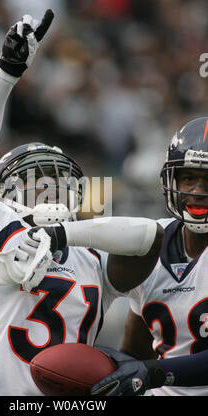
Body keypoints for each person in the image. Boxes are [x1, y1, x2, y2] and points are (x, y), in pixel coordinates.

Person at [0, 10, 163, 396]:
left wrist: (60, 234)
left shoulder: (91, 251)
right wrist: (6, 73)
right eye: (35, 182)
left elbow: (151, 238)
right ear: (4, 191)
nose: (49, 191)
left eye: (59, 183)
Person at [91, 116, 208, 396]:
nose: (197, 191)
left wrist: (152, 373)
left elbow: (147, 369)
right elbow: (135, 353)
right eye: (189, 177)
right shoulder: (152, 241)